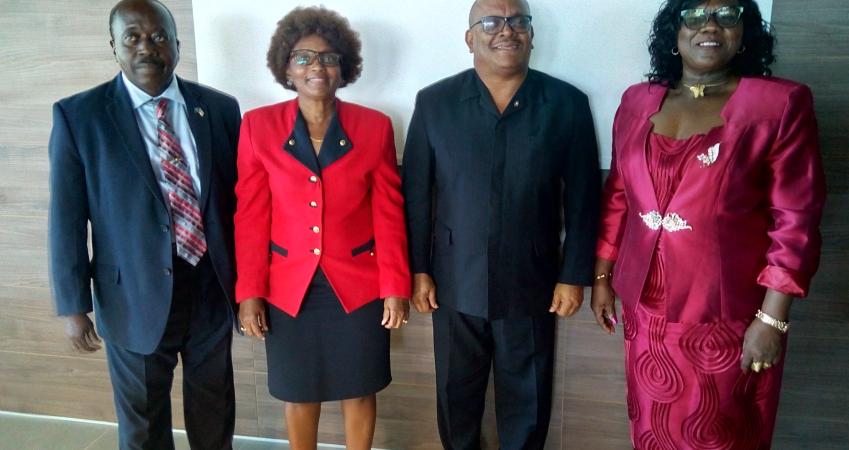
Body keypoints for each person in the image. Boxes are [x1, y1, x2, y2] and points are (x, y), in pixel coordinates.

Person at [590, 0, 826, 448]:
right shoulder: (638, 102)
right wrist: (603, 275)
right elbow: (619, 193)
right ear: (674, 34)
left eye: (727, 15)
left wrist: (772, 320)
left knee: (720, 434)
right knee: (651, 427)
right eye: (695, 16)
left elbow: (795, 218)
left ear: (745, 33)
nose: (710, 25)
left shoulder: (778, 104)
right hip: (645, 311)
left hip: (728, 317)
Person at [402, 0, 601, 447]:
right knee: (456, 398)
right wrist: (418, 270)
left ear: (532, 34)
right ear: (470, 37)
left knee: (527, 403)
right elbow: (415, 196)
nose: (506, 31)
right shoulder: (435, 103)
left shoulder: (566, 104)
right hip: (453, 283)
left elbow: (586, 200)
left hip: (533, 282)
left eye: (518, 22)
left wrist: (573, 276)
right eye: (491, 22)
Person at [47, 0, 241, 448]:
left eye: (157, 36)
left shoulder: (219, 109)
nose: (145, 47)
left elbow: (238, 204)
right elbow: (66, 219)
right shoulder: (80, 116)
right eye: (132, 37)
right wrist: (74, 306)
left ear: (176, 43)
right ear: (113, 46)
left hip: (210, 288)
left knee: (214, 408)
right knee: (143, 423)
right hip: (130, 294)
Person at [233, 7, 411, 450]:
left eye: (329, 58)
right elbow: (251, 217)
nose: (317, 67)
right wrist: (249, 292)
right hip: (288, 287)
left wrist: (395, 285)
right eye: (304, 57)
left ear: (344, 67)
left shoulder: (375, 127)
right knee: (298, 391)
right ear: (286, 66)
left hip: (357, 283)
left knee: (359, 386)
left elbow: (389, 213)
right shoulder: (258, 126)